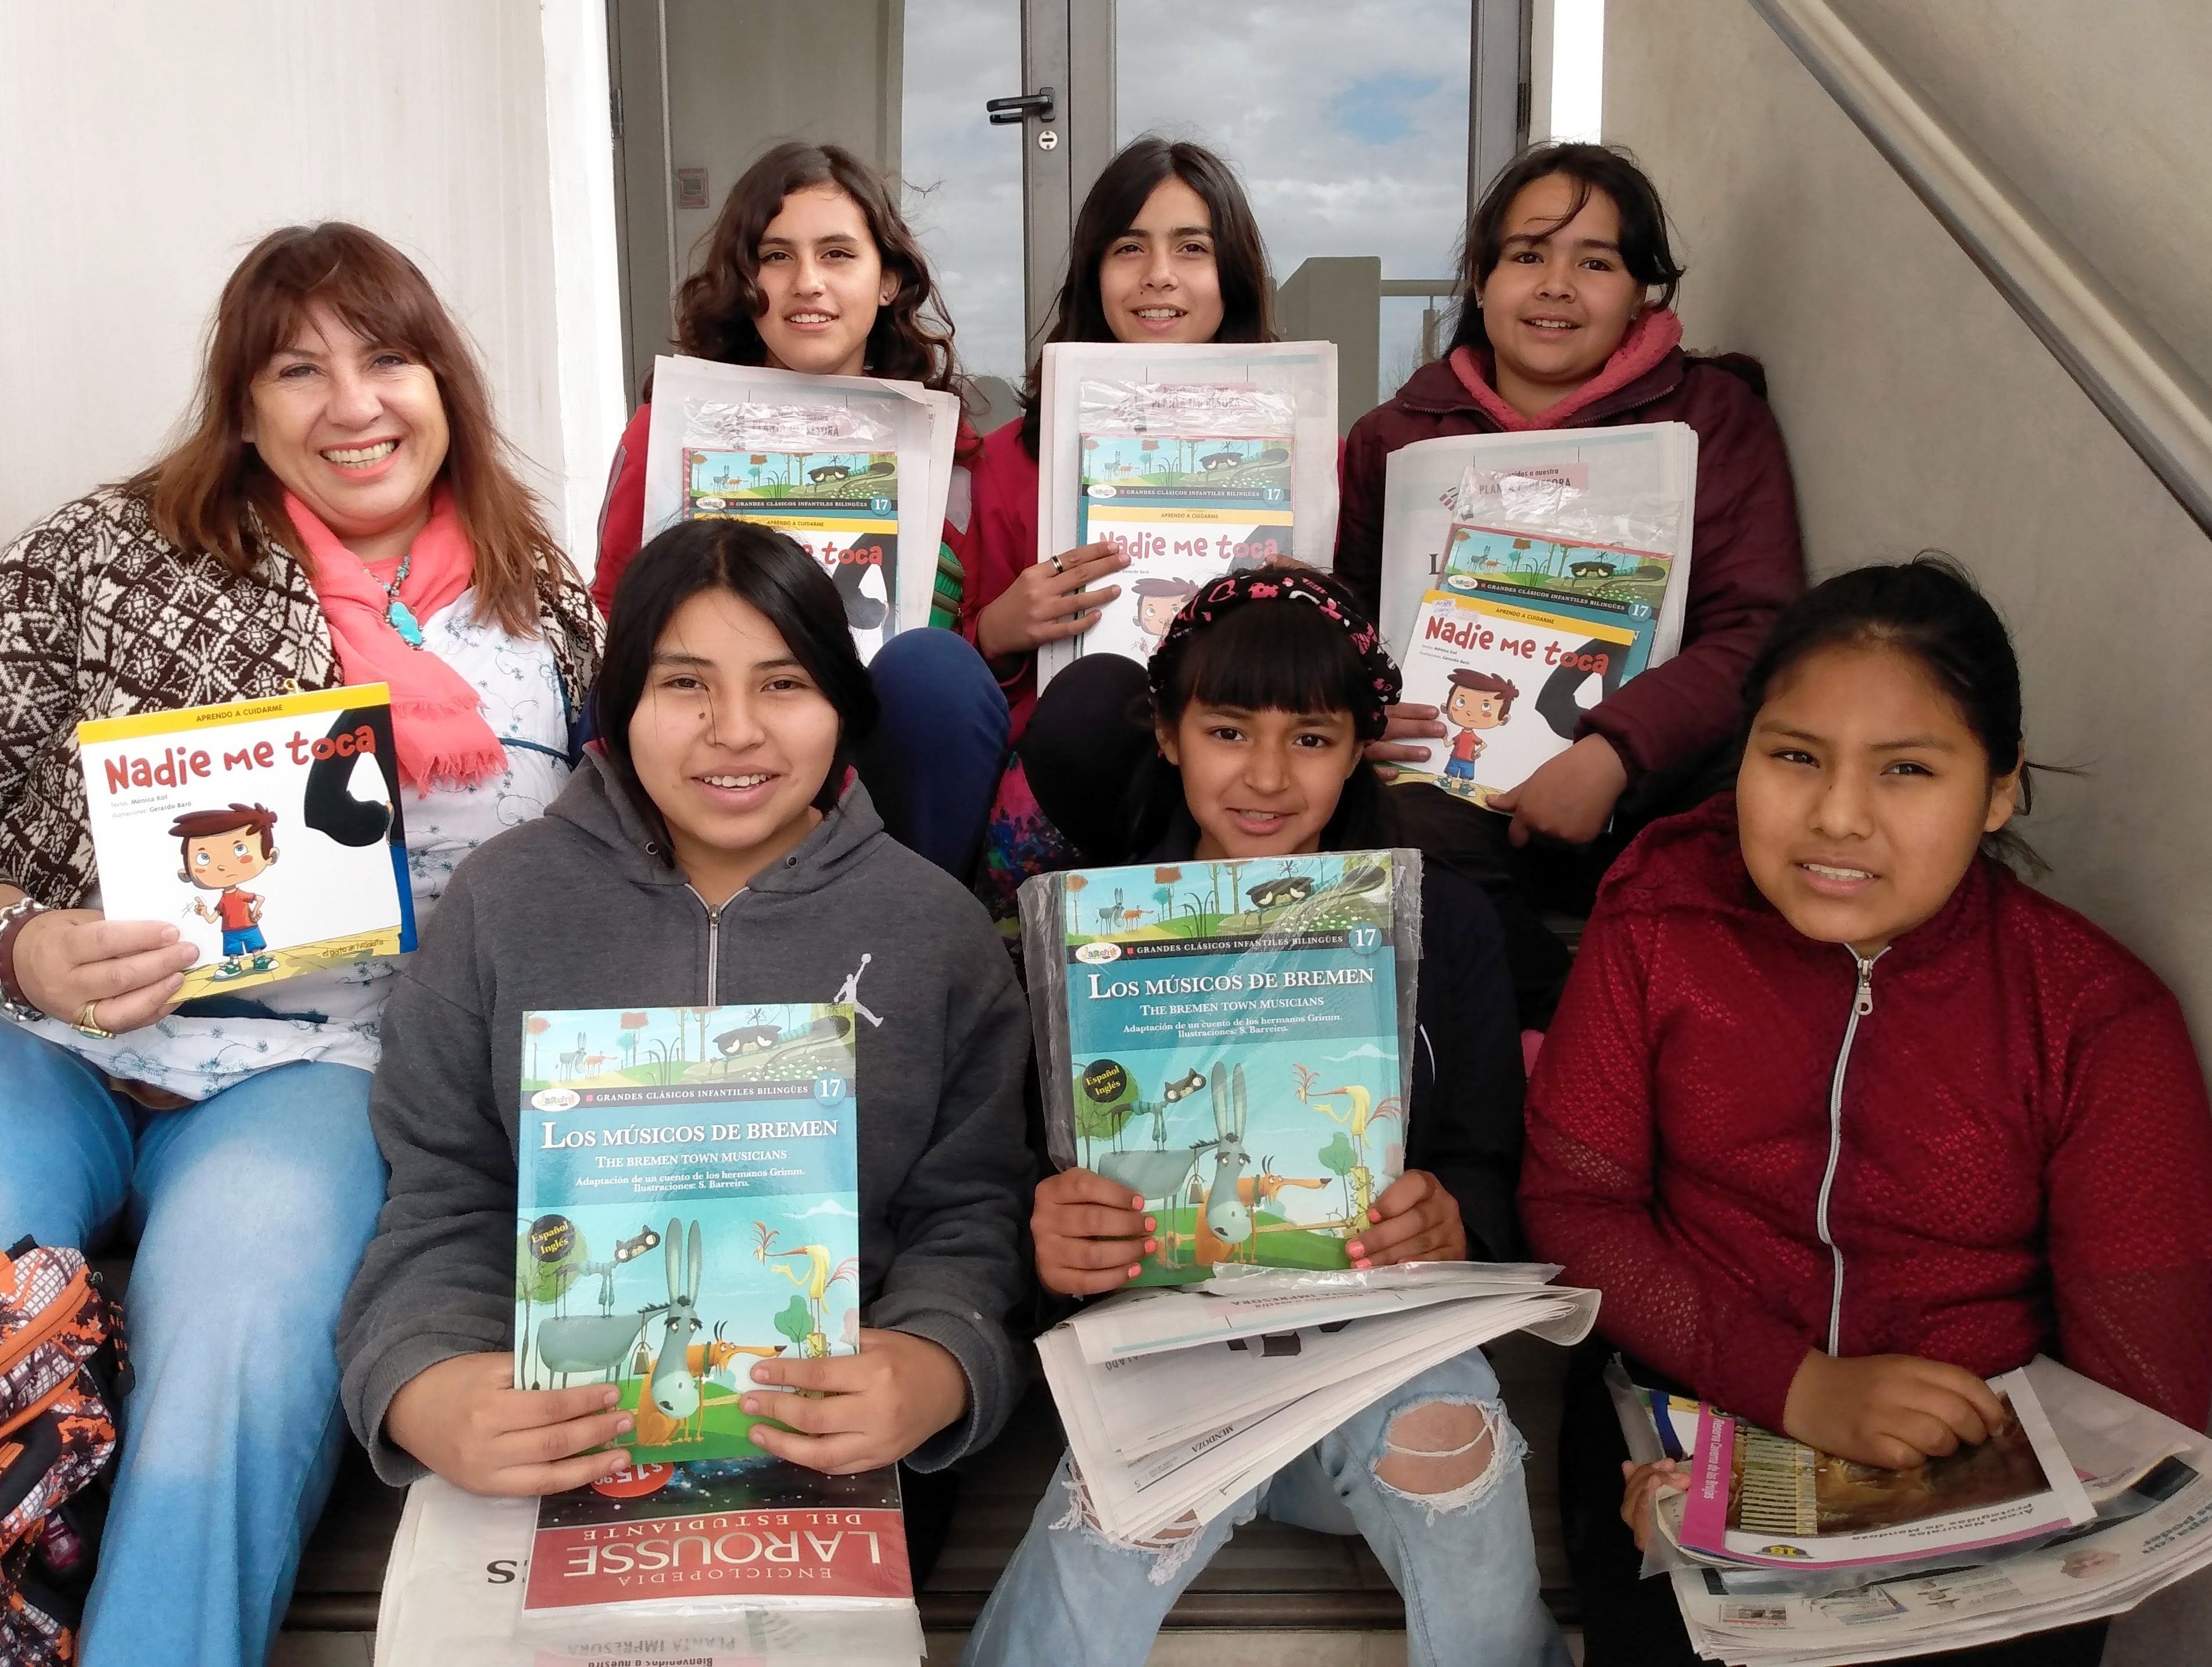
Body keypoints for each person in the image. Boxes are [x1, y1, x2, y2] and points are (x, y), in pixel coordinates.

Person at [0, 221, 600, 1667]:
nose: (352, 403)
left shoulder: (552, 611)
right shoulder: (107, 557)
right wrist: (21, 946)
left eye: (386, 356)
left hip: (321, 1069)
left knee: (235, 1360)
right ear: (243, 402)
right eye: (297, 367)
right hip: (52, 1048)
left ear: (441, 379)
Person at [1517, 558, 2212, 1667]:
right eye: (1793, 756)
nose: (1836, 815)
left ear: (1997, 788)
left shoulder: (2093, 1015)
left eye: (1907, 770)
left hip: (1980, 1468)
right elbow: (1575, 1204)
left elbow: (2148, 1388)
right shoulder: (1662, 915)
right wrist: (1793, 1388)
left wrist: (1958, 1475)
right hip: (1695, 1409)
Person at [338, 518, 1032, 1526]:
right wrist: (423, 1382)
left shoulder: (936, 932)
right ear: (620, 703)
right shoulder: (503, 905)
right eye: (685, 683)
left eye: (785, 683)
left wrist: (937, 1361)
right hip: (551, 1444)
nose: (736, 729)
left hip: (835, 1451)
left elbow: (973, 1212)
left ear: (843, 702)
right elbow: (444, 1193)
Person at [963, 568, 1562, 1667]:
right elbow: (1019, 1197)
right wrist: (1053, 1244)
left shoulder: (1447, 922)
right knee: (1103, 1543)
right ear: (1169, 732)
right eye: (1229, 729)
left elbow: (1483, 1160)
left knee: (1457, 1450)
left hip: (1380, 1355)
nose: (1269, 778)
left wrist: (1453, 1219)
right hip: (1166, 1355)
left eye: (1314, 738)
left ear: (1362, 745)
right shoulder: (1100, 933)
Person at [1339, 142, 1806, 1018]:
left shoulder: (1713, 420)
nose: (1555, 285)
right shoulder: (1394, 437)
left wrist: (1613, 752)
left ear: (1642, 293)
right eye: (1527, 255)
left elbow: (1757, 627)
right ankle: (1578, 1035)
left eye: (1594, 261)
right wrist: (1357, 708)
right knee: (1386, 837)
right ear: (1480, 281)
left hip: (1650, 784)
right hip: (1450, 788)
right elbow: (1352, 623)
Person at [590, 140, 998, 876]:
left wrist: (977, 627)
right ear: (741, 280)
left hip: (878, 735)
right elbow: (611, 610)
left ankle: (919, 928)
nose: (806, 283)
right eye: (775, 257)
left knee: (935, 671)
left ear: (888, 280)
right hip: (722, 728)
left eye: (838, 254)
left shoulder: (952, 453)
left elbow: (967, 661)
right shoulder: (666, 433)